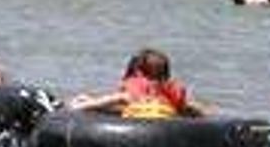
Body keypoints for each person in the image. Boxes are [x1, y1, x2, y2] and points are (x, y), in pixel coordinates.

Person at [71, 48, 211, 118]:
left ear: (137, 71)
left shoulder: (133, 89)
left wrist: (84, 105)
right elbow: (188, 107)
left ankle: (83, 101)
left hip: (138, 120)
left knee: (111, 105)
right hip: (165, 122)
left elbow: (117, 99)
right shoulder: (169, 91)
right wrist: (209, 116)